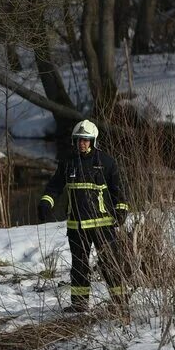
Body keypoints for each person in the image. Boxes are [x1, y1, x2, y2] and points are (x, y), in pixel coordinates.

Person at [39, 120, 129, 313]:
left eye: (86, 140)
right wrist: (46, 202)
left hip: (103, 225)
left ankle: (120, 302)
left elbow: (119, 191)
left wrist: (121, 211)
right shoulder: (68, 162)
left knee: (110, 263)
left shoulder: (106, 162)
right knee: (79, 266)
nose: (82, 143)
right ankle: (79, 304)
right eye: (79, 140)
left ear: (93, 141)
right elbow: (55, 186)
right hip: (76, 225)